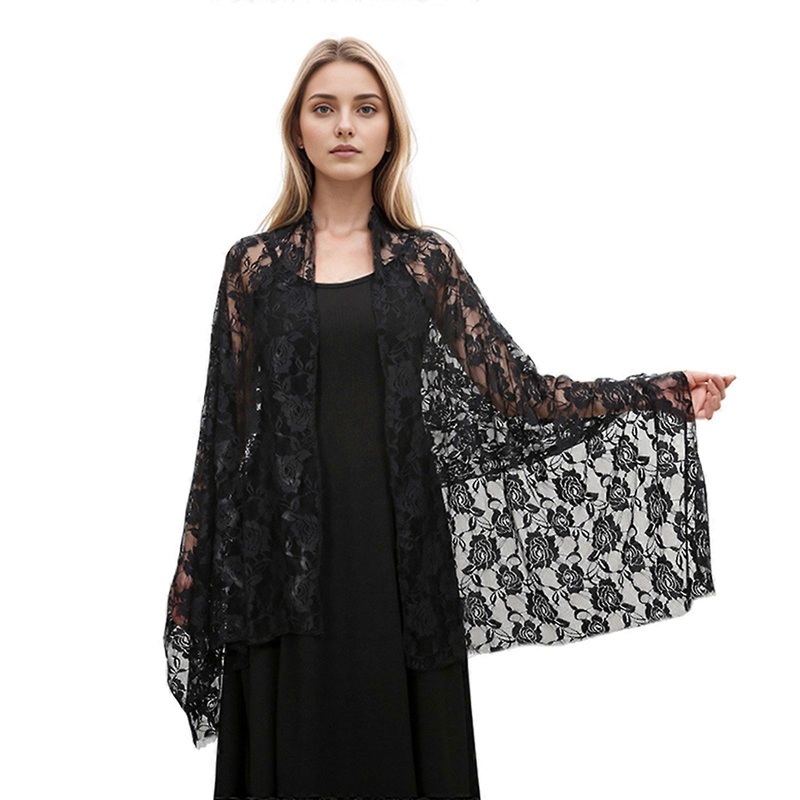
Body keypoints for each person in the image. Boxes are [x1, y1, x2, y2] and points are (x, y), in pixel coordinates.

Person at [163, 36, 734, 800]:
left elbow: (523, 395)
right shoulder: (252, 266)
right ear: (297, 129)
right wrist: (198, 574)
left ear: (389, 131)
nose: (344, 125)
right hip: (285, 566)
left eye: (365, 109)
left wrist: (657, 391)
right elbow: (224, 436)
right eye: (324, 108)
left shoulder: (425, 262)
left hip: (398, 559)